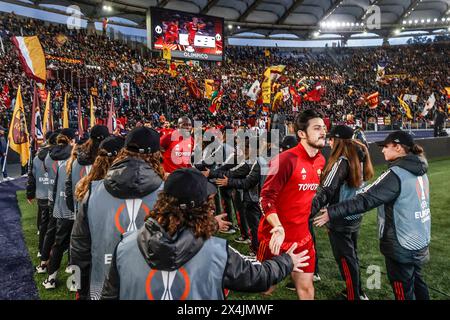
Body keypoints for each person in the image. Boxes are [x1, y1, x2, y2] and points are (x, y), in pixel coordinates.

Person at [100, 168, 311, 300]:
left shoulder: (124, 246)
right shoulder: (218, 252)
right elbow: (258, 277)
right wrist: (287, 261)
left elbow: (109, 296)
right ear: (201, 207)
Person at [314, 131, 431, 300]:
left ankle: (354, 294)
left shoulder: (395, 174)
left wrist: (332, 212)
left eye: (386, 146)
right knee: (418, 285)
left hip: (401, 244)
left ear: (398, 147)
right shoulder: (421, 169)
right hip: (419, 241)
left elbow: (365, 199)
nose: (382, 150)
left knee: (403, 292)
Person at [71, 127, 164, 300]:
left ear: (124, 151)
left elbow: (78, 249)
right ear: (157, 155)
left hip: (101, 285)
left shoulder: (92, 192)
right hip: (150, 287)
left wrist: (77, 287)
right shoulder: (168, 194)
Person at [257, 109, 326, 300]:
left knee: (306, 289)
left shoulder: (321, 160)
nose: (323, 132)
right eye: (317, 128)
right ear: (302, 134)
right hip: (274, 238)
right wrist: (277, 226)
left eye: (324, 128)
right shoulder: (286, 159)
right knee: (266, 288)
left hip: (302, 238)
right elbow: (265, 197)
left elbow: (305, 193)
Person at [310, 125, 374, 300]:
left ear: (338, 141)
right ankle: (358, 291)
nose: (329, 142)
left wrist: (307, 212)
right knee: (352, 256)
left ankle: (353, 295)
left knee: (345, 259)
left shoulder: (342, 162)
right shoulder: (359, 156)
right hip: (354, 215)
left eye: (331, 139)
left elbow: (326, 191)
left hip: (340, 217)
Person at [42, 130, 77, 289]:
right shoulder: (87, 166)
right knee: (79, 245)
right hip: (79, 210)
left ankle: (50, 278)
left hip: (60, 206)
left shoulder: (51, 157)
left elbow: (56, 187)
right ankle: (75, 282)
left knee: (58, 242)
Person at [36, 128, 74, 274]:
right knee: (73, 236)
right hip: (68, 198)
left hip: (54, 197)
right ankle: (70, 266)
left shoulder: (47, 155)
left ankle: (44, 261)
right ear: (70, 139)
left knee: (52, 232)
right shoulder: (73, 155)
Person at [65, 125, 109, 214]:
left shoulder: (77, 158)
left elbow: (69, 183)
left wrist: (72, 204)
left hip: (80, 207)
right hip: (99, 210)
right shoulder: (106, 160)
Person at [26, 131, 53, 256]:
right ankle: (48, 250)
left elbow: (32, 177)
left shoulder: (37, 158)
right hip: (53, 194)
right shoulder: (55, 158)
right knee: (52, 225)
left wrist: (30, 194)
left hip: (41, 194)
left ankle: (41, 250)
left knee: (44, 223)